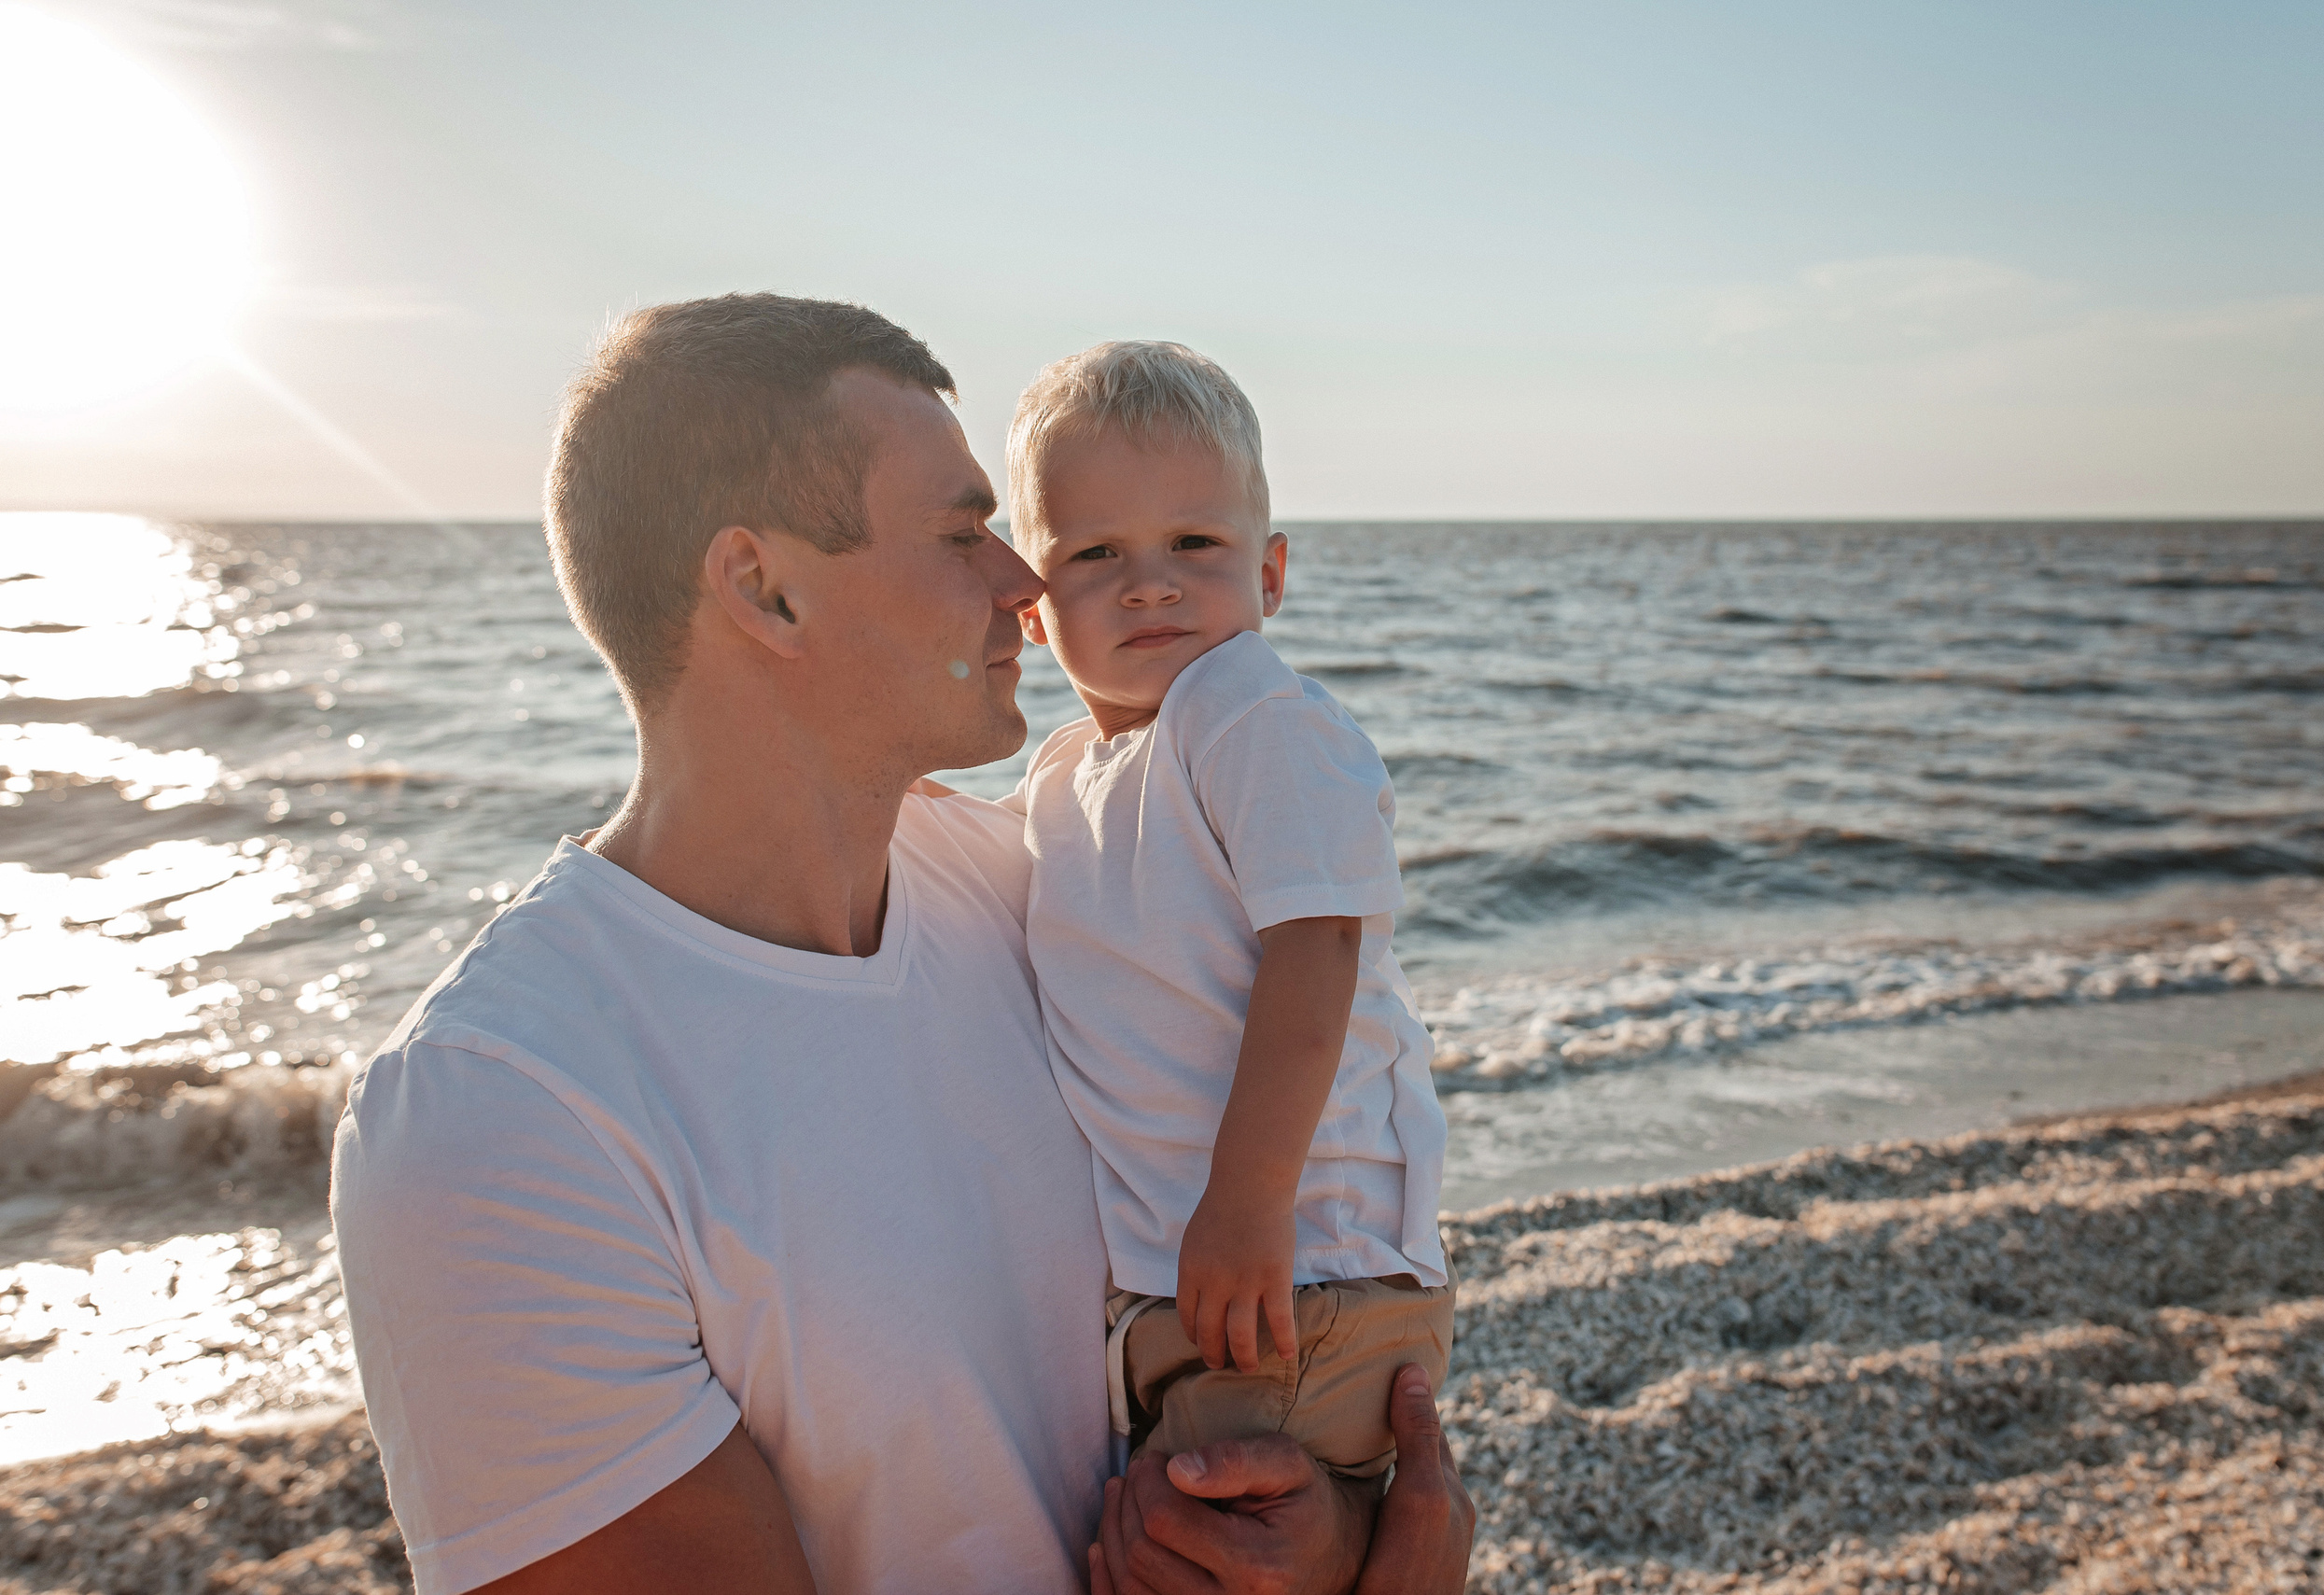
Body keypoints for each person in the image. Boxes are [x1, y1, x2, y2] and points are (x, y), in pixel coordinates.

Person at [329, 293, 1473, 1595]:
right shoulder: (498, 1112)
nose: (1024, 581)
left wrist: (1337, 1539)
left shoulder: (1042, 892)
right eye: (964, 531)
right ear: (766, 590)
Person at [989, 341, 1450, 1481]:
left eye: (1194, 543)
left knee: (1233, 1536)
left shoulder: (1247, 712)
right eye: (1095, 552)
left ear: (1270, 574)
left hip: (1305, 1259)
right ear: (1034, 609)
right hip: (1189, 1279)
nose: (1149, 583)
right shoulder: (1064, 774)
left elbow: (1317, 948)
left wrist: (1247, 1202)